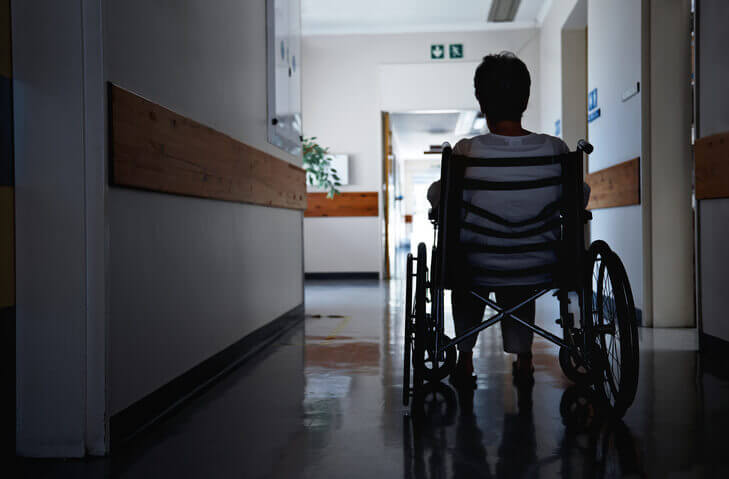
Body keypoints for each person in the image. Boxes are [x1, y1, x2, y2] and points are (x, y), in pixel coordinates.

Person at [427, 52, 589, 389]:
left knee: (466, 272)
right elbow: (580, 198)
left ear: (481, 103)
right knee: (520, 280)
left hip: (477, 263)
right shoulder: (555, 149)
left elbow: (439, 198)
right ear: (525, 100)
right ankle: (524, 357)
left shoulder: (466, 151)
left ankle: (465, 356)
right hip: (540, 262)